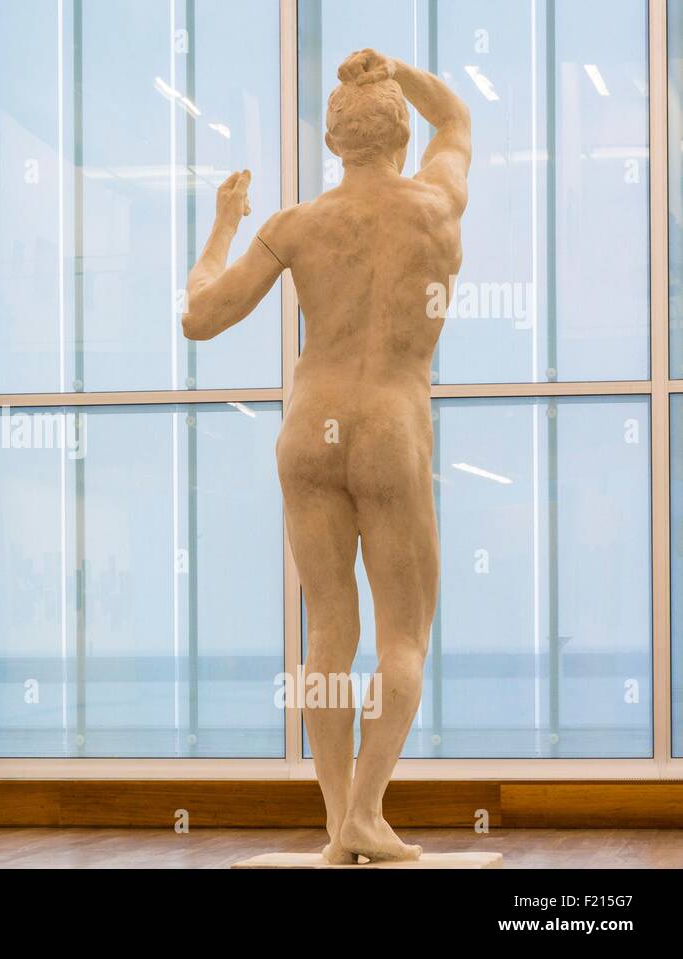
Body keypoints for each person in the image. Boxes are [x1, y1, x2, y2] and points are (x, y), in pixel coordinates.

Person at [183, 49, 470, 862]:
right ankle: (367, 814)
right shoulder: (436, 202)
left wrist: (225, 222)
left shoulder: (295, 224)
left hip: (309, 430)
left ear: (333, 141)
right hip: (389, 424)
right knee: (403, 635)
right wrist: (398, 69)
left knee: (327, 636)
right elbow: (457, 120)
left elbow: (199, 316)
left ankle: (340, 819)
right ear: (401, 136)